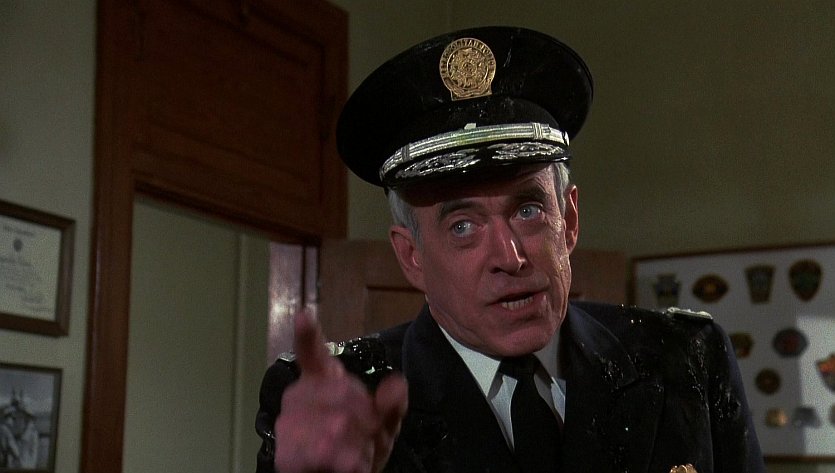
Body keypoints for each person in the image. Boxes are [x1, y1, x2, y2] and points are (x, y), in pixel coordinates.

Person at [255, 26, 764, 473]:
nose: (510, 257)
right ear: (412, 257)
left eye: (528, 210)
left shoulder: (684, 359)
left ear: (569, 220)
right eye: (462, 226)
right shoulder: (340, 407)